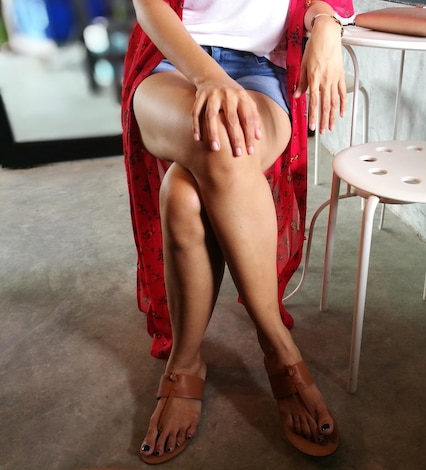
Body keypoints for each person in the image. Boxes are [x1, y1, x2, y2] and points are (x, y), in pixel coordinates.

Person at [121, 0, 354, 464]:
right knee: (221, 151)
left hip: (262, 75)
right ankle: (279, 349)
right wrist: (209, 77)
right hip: (173, 64)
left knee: (185, 196)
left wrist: (328, 26)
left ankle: (185, 366)